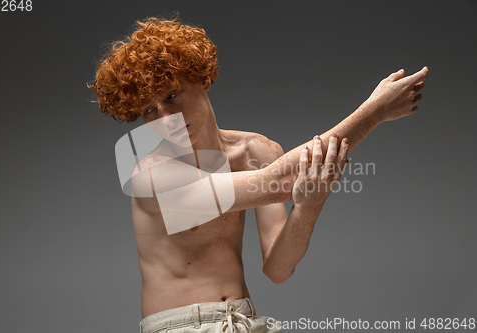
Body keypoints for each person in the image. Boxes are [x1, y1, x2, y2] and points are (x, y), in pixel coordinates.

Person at [89, 16, 428, 333]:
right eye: (150, 110)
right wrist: (374, 112)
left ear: (202, 78)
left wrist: (309, 207)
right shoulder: (151, 176)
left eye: (171, 96)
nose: (166, 119)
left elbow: (278, 269)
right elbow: (276, 184)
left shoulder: (258, 152)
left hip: (244, 320)